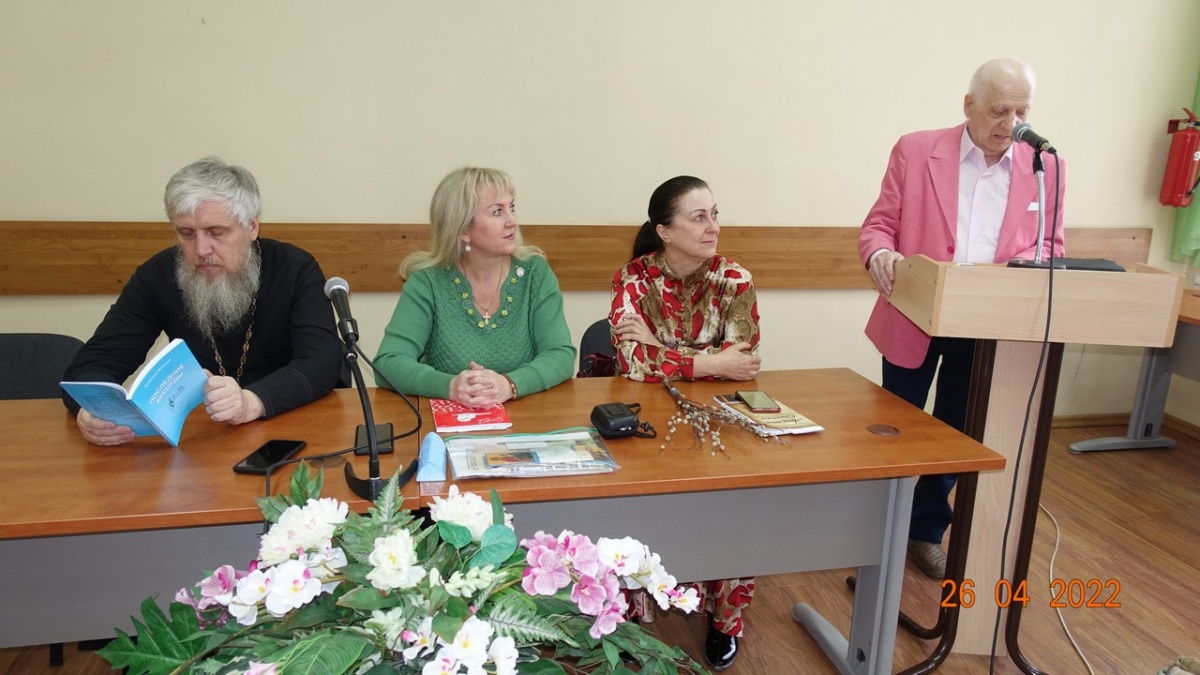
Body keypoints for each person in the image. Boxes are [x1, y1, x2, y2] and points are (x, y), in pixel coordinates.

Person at [858, 57, 1066, 579]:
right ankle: (873, 535)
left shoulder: (1046, 166)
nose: (1011, 123)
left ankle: (926, 530)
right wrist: (880, 253)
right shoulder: (916, 149)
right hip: (914, 313)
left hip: (988, 325)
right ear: (969, 104)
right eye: (999, 110)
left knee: (958, 431)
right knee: (896, 430)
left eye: (1022, 111)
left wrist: (1032, 263)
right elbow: (879, 225)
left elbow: (1051, 245)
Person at [63, 157, 345, 445]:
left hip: (291, 423)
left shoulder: (294, 268)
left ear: (252, 227)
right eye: (186, 233)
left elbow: (321, 361)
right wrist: (92, 408)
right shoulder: (157, 275)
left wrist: (252, 401)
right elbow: (96, 361)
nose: (200, 249)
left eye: (216, 232)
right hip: (203, 435)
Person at [608, 175, 759, 671]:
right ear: (665, 231)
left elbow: (744, 363)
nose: (713, 226)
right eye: (698, 217)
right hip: (646, 417)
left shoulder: (735, 280)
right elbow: (631, 363)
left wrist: (661, 347)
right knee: (637, 504)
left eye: (715, 214)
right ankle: (628, 621)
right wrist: (709, 361)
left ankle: (724, 620)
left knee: (734, 501)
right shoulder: (634, 279)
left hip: (718, 415)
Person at [373, 166, 574, 405]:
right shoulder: (428, 282)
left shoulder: (534, 274)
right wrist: (450, 386)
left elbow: (560, 355)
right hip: (450, 421)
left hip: (527, 417)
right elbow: (388, 362)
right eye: (497, 212)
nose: (512, 221)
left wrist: (509, 384)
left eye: (511, 208)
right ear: (463, 230)